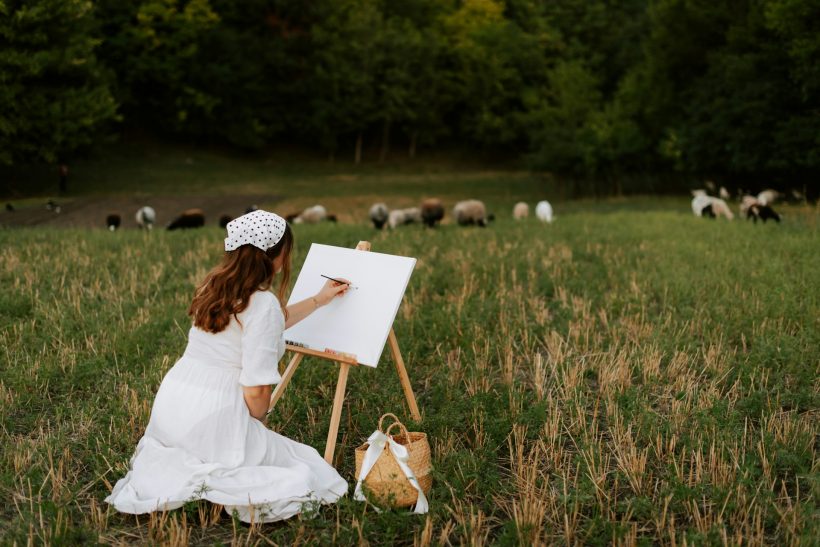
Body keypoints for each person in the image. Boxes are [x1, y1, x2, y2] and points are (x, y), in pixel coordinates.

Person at [106, 210, 349, 523]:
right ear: (277, 256)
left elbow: (270, 322)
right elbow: (257, 389)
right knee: (307, 468)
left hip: (174, 406)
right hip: (215, 414)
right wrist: (258, 425)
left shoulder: (215, 285)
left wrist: (318, 300)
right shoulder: (263, 304)